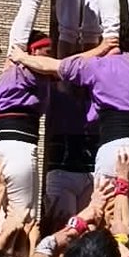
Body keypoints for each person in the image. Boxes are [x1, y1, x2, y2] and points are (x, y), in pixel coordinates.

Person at [11, 39, 129, 242]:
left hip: (115, 148)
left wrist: (21, 57)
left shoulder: (99, 65)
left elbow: (53, 65)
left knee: (110, 223)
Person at [0, 35, 52, 218]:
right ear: (34, 51)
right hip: (17, 146)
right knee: (23, 218)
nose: (50, 56)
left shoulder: (6, 73)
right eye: (48, 51)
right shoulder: (34, 72)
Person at [44, 83, 96, 227]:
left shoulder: (95, 97)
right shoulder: (57, 94)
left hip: (90, 170)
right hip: (62, 169)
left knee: (89, 227)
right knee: (63, 226)